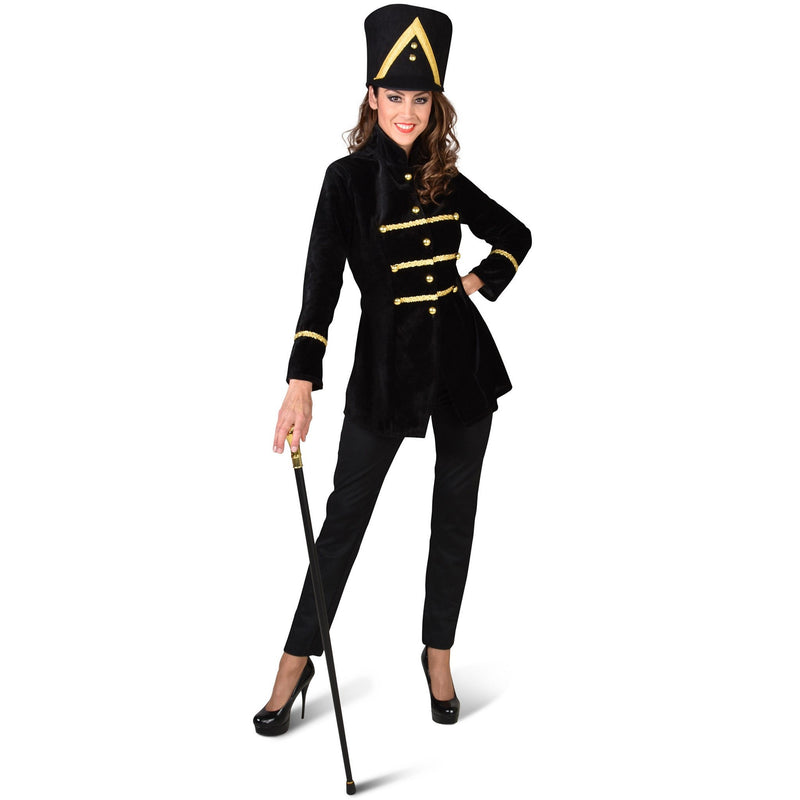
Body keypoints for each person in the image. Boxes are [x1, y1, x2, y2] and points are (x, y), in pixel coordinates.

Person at [254, 3, 531, 735]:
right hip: (385, 371)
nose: (408, 112)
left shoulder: (446, 176)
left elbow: (516, 234)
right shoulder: (345, 180)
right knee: (345, 516)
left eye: (421, 99)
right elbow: (320, 288)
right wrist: (300, 384)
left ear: (435, 104)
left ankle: (438, 654)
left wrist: (479, 280)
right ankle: (295, 660)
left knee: (455, 514)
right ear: (372, 96)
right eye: (395, 95)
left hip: (464, 366)